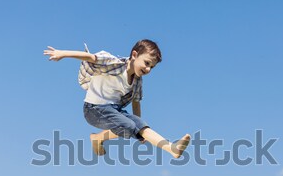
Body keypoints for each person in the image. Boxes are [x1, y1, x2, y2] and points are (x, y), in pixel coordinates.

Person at [43, 39, 190, 158]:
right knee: (129, 126)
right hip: (93, 109)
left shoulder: (137, 81)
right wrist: (62, 53)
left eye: (152, 67)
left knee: (139, 123)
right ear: (134, 55)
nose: (148, 69)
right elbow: (90, 57)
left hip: (114, 110)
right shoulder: (115, 64)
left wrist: (139, 130)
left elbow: (136, 102)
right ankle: (98, 138)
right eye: (146, 63)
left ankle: (172, 149)